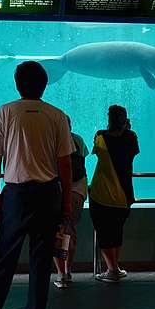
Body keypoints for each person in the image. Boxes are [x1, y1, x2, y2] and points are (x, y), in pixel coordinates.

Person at [0, 61, 74, 309]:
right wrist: (66, 202)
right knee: (41, 261)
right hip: (47, 195)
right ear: (44, 86)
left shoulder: (5, 112)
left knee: (4, 258)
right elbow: (64, 164)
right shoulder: (57, 116)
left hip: (15, 195)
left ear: (18, 85)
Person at [89, 106, 139, 282]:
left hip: (101, 192)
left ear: (109, 119)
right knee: (117, 230)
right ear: (125, 120)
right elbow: (133, 151)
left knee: (104, 231)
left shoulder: (100, 136)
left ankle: (112, 270)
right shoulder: (131, 137)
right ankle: (115, 267)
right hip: (124, 194)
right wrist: (127, 129)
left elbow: (96, 151)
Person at [53, 116, 89, 289]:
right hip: (78, 192)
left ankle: (62, 274)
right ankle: (67, 271)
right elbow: (83, 163)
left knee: (58, 233)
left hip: (58, 192)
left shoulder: (54, 139)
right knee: (69, 231)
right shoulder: (78, 139)